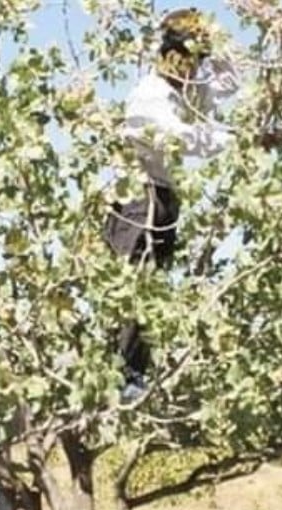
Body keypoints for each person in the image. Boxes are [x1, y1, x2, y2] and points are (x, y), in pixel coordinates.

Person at [103, 7, 240, 401]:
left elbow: (229, 82)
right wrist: (235, 139)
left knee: (153, 285)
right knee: (134, 284)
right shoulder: (149, 96)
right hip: (137, 195)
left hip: (164, 196)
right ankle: (119, 375)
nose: (192, 67)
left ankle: (134, 373)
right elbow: (180, 139)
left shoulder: (191, 87)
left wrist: (217, 38)